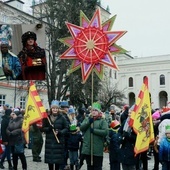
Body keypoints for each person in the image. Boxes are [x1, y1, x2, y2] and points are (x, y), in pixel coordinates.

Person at [80, 102, 108, 170]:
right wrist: (89, 122)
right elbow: (81, 128)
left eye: (96, 110)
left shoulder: (102, 121)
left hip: (97, 150)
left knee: (97, 167)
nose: (94, 112)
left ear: (99, 112)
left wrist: (94, 131)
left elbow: (105, 132)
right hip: (88, 149)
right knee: (89, 166)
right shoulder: (87, 119)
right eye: (93, 110)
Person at [42, 100, 69, 170]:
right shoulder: (47, 118)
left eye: (56, 108)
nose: (55, 110)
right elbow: (42, 128)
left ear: (58, 109)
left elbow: (66, 128)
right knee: (50, 163)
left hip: (58, 143)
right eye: (53, 108)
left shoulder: (62, 118)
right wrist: (48, 128)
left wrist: (60, 132)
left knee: (57, 163)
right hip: (49, 144)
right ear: (51, 109)